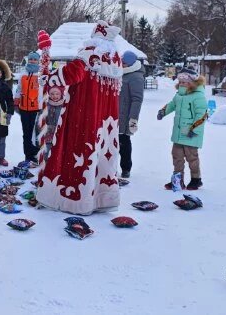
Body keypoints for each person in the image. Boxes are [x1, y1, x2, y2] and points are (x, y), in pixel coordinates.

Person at [34, 22, 122, 214]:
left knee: (79, 154)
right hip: (107, 119)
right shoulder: (115, 60)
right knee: (103, 156)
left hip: (85, 115)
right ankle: (101, 198)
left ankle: (76, 200)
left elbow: (72, 74)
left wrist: (49, 79)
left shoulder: (90, 53)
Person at [157, 70, 208, 190]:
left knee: (192, 158)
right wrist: (163, 111)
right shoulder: (178, 95)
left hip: (191, 132)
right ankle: (177, 180)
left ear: (192, 83)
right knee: (176, 156)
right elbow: (171, 105)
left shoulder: (198, 96)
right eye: (180, 82)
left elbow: (202, 115)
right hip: (179, 132)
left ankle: (196, 180)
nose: (181, 84)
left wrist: (194, 129)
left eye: (184, 82)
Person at [118, 51, 145, 178]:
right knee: (114, 143)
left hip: (125, 115)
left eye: (123, 62)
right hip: (116, 114)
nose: (121, 64)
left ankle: (126, 168)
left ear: (130, 63)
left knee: (124, 142)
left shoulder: (136, 77)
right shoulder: (122, 73)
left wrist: (133, 119)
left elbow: (137, 99)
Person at [15, 52, 41, 166]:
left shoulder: (41, 74)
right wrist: (16, 100)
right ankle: (27, 156)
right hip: (24, 108)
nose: (32, 61)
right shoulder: (23, 73)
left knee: (35, 133)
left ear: (38, 61)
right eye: (30, 59)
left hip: (36, 108)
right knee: (26, 133)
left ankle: (36, 155)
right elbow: (19, 88)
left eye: (34, 59)